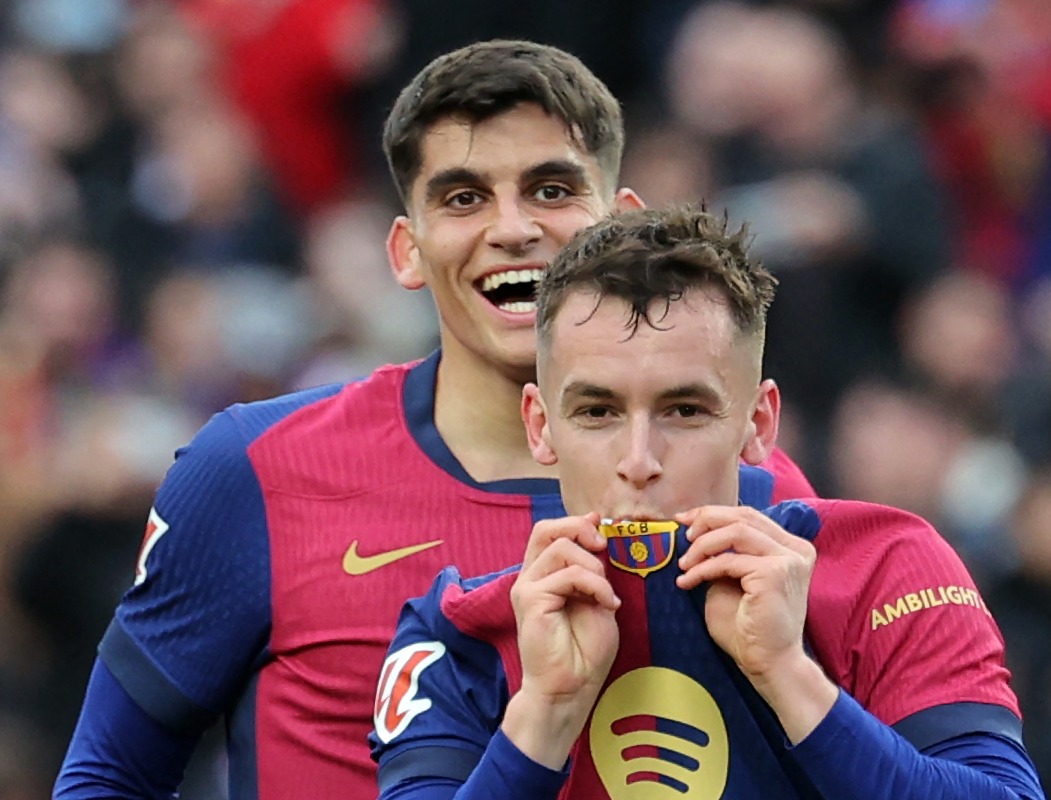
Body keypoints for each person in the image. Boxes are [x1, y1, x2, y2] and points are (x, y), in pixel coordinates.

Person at [51, 42, 816, 800]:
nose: (512, 228)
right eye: (463, 197)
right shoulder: (255, 469)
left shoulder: (751, 490)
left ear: (620, 224)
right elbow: (107, 776)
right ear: (407, 250)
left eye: (551, 190)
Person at [370, 207, 1046, 799]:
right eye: (598, 411)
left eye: (685, 410)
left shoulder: (884, 568)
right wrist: (545, 712)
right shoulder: (454, 633)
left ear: (759, 422)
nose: (639, 459)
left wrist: (789, 677)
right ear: (540, 426)